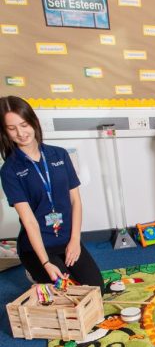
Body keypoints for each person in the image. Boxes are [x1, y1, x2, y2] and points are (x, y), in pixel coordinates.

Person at [0, 96, 104, 293]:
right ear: (5, 131)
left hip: (66, 239)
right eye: (12, 128)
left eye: (24, 124)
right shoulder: (10, 170)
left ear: (34, 122)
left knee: (96, 289)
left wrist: (75, 240)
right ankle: (35, 270)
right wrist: (46, 262)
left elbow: (76, 201)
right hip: (38, 247)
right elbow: (29, 221)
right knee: (68, 294)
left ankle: (48, 268)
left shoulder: (60, 155)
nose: (21, 133)